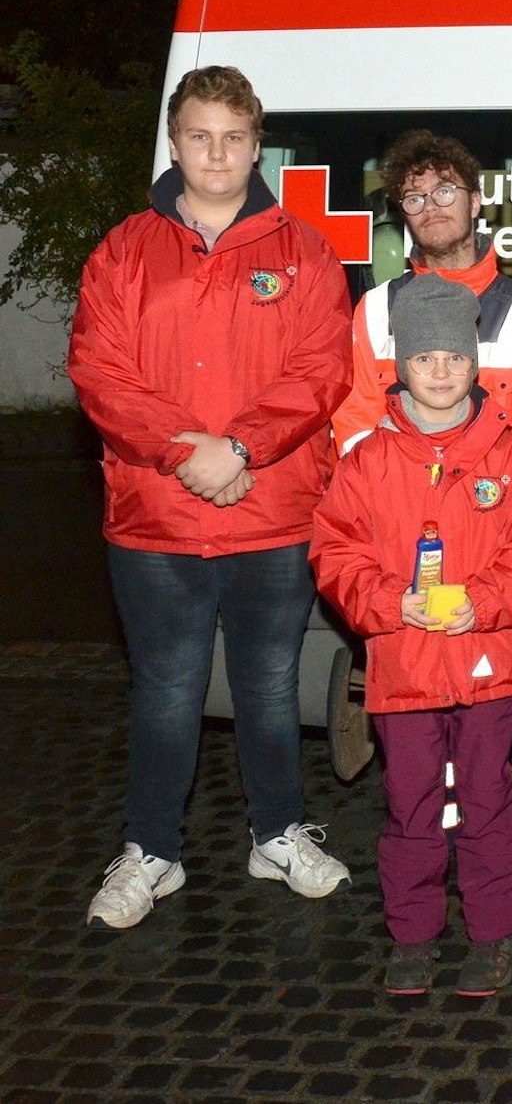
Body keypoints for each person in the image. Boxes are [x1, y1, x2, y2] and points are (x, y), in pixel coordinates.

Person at [70, 66, 354, 931]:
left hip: (271, 510)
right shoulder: (123, 250)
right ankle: (152, 850)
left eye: (234, 137)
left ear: (256, 144)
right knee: (165, 690)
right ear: (174, 141)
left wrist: (240, 447)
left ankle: (276, 833)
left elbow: (321, 371)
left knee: (270, 688)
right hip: (156, 514)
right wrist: (184, 452)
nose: (217, 153)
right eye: (200, 135)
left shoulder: (302, 252)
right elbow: (99, 370)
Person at [310, 275, 512, 995]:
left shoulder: (511, 460)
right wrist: (391, 602)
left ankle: (492, 935)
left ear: (475, 362)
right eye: (423, 358)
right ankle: (411, 934)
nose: (440, 371)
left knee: (489, 805)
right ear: (399, 366)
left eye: (453, 356)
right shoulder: (366, 462)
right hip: (403, 667)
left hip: (486, 663)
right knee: (409, 806)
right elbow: (334, 552)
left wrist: (484, 602)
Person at [332, 130, 512, 473]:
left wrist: (468, 498)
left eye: (444, 191)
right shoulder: (375, 310)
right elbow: (354, 420)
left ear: (474, 202)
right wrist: (397, 494)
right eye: (414, 198)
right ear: (404, 214)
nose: (430, 207)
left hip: (491, 509)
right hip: (394, 508)